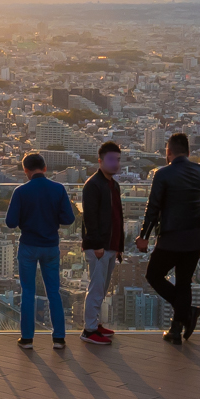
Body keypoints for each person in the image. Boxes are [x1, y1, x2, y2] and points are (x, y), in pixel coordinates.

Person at [137, 133, 200, 343]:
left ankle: (186, 313)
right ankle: (176, 329)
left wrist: (144, 236)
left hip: (171, 237)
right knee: (184, 282)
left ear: (168, 152)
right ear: (189, 152)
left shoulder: (163, 174)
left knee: (153, 275)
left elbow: (153, 208)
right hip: (195, 237)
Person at [5, 151, 75, 350]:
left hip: (28, 245)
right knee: (53, 291)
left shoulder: (20, 191)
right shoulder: (58, 189)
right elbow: (69, 219)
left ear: (26, 171)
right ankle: (59, 338)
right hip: (51, 245)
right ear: (45, 168)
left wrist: (25, 220)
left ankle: (27, 339)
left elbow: (10, 222)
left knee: (28, 291)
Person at [80, 142, 127, 346]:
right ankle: (89, 330)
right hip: (98, 247)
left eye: (117, 159)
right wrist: (97, 244)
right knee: (97, 288)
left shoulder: (113, 185)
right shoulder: (93, 185)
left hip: (109, 246)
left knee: (103, 288)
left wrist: (118, 247)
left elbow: (118, 217)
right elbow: (90, 218)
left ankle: (95, 324)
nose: (115, 163)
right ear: (100, 161)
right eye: (111, 159)